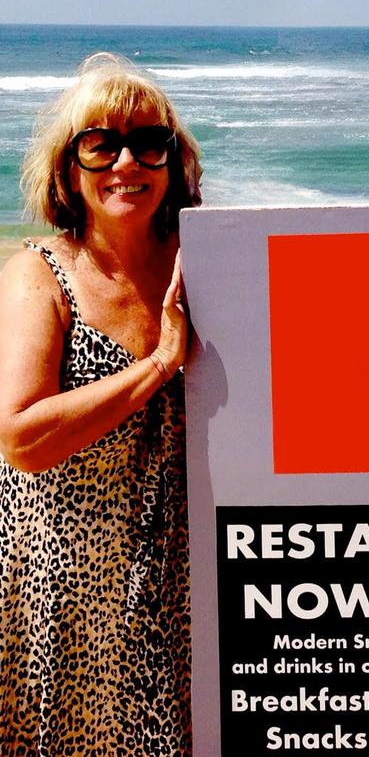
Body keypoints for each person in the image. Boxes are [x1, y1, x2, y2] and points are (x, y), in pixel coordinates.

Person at [0, 53, 201, 755]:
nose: (127, 162)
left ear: (174, 163)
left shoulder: (205, 259)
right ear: (69, 167)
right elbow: (20, 438)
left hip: (177, 570)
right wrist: (156, 366)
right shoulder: (38, 274)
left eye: (150, 143)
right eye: (101, 144)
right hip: (62, 578)